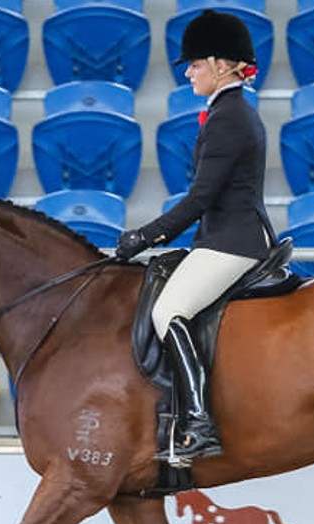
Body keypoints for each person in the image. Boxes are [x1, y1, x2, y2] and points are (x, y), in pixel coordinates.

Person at [116, 9, 274, 464]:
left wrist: (144, 237)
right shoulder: (228, 112)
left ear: (223, 65)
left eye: (196, 64)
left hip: (233, 242)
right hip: (225, 235)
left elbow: (199, 200)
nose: (187, 72)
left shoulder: (229, 118)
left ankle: (199, 423)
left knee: (169, 310)